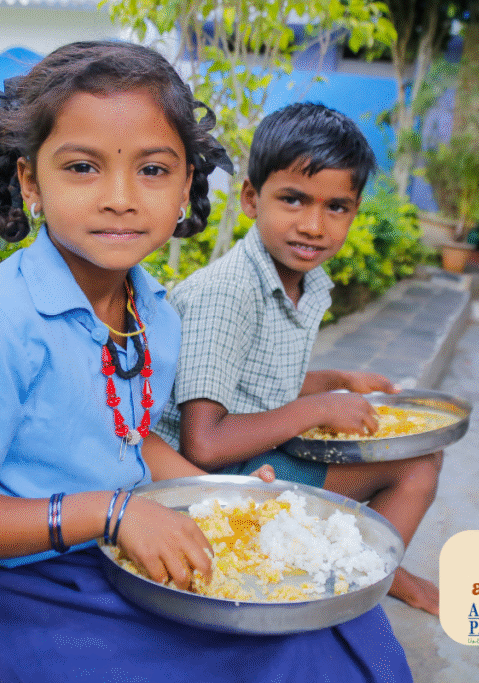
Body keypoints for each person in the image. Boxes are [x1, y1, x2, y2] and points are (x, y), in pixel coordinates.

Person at [0, 41, 412, 683]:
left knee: (335, 620)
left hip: (121, 548)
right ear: (30, 181)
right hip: (26, 589)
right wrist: (114, 513)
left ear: (185, 189)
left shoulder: (153, 310)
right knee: (271, 659)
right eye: (83, 167)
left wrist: (224, 499)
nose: (121, 198)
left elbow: (130, 436)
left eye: (152, 170)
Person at [155, 102, 442, 616]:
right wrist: (318, 408)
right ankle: (367, 575)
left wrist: (338, 380)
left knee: (401, 445)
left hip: (249, 451)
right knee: (416, 463)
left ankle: (352, 567)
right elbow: (203, 443)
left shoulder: (300, 282)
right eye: (293, 199)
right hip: (214, 478)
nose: (313, 225)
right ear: (250, 198)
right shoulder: (228, 293)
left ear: (355, 212)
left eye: (336, 207)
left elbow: (258, 380)